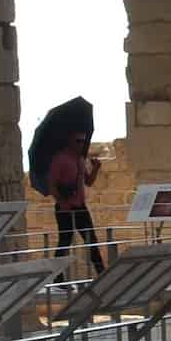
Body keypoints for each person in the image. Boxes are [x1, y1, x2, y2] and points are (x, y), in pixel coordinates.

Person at [27, 95, 105, 282]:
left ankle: (102, 273)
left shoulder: (79, 159)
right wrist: (62, 202)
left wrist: (95, 169)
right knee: (65, 241)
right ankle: (58, 276)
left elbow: (88, 182)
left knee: (91, 240)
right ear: (70, 140)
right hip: (65, 207)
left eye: (83, 141)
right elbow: (52, 184)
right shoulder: (60, 159)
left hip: (80, 206)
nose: (81, 144)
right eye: (78, 141)